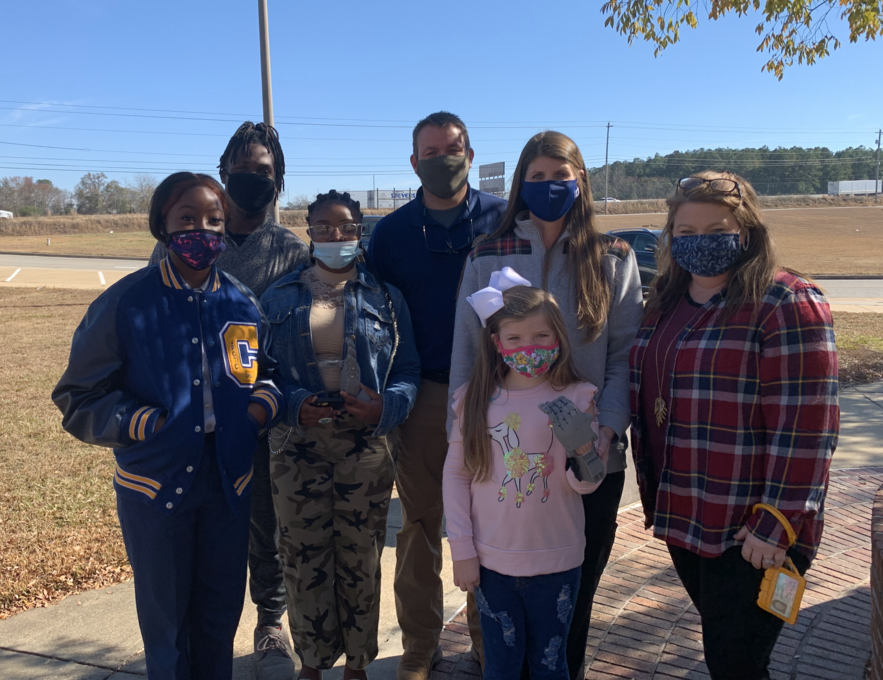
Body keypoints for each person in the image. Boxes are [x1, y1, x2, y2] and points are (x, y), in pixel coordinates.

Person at [52, 173, 283, 680]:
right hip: (154, 486)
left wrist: (255, 414)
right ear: (162, 225)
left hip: (229, 482)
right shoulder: (126, 303)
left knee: (220, 616)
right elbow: (77, 398)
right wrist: (145, 423)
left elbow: (266, 376)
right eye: (187, 219)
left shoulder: (242, 303)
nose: (202, 230)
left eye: (214, 221)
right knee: (167, 624)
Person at [629, 171, 838, 680]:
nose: (700, 243)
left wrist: (777, 523)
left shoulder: (785, 301)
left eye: (716, 229)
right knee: (729, 655)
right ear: (671, 237)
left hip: (750, 528)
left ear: (746, 232)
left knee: (736, 662)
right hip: (686, 514)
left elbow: (808, 426)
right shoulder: (664, 304)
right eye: (686, 233)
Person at [448, 131, 642, 679]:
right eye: (537, 177)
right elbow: (467, 350)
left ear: (581, 181)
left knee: (571, 603)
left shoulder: (613, 257)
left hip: (587, 454)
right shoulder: (488, 254)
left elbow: (624, 356)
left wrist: (605, 432)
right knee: (499, 599)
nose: (550, 187)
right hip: (503, 456)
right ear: (519, 185)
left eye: (562, 177)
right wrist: (459, 434)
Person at [149, 122, 308, 678]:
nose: (251, 180)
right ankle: (196, 633)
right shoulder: (183, 245)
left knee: (267, 521)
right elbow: (157, 324)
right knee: (201, 530)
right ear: (222, 175)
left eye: (263, 171)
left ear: (278, 179)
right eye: (241, 170)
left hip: (265, 416)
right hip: (198, 421)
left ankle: (270, 625)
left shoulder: (290, 250)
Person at [367, 111, 507, 679]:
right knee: (421, 526)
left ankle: (486, 639)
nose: (441, 159)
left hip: (496, 395)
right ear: (413, 161)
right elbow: (372, 315)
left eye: (452, 149)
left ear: (470, 156)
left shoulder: (504, 220)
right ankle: (421, 646)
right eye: (430, 151)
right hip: (424, 394)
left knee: (493, 522)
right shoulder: (392, 232)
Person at [260, 191, 420, 680]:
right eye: (324, 227)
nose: (335, 236)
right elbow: (258, 373)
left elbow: (408, 370)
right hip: (296, 447)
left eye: (346, 227)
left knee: (361, 558)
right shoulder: (277, 297)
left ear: (359, 232)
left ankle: (356, 664)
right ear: (308, 231)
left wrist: (387, 407)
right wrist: (290, 405)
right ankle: (311, 662)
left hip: (365, 447)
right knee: (302, 558)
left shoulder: (387, 298)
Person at [445, 274, 604, 680]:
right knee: (500, 667)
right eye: (514, 338)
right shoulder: (475, 400)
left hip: (558, 559)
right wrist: (461, 549)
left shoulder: (577, 397)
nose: (528, 347)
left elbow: (587, 483)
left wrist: (583, 451)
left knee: (551, 665)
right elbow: (456, 476)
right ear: (496, 342)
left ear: (559, 339)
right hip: (491, 562)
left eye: (541, 335)